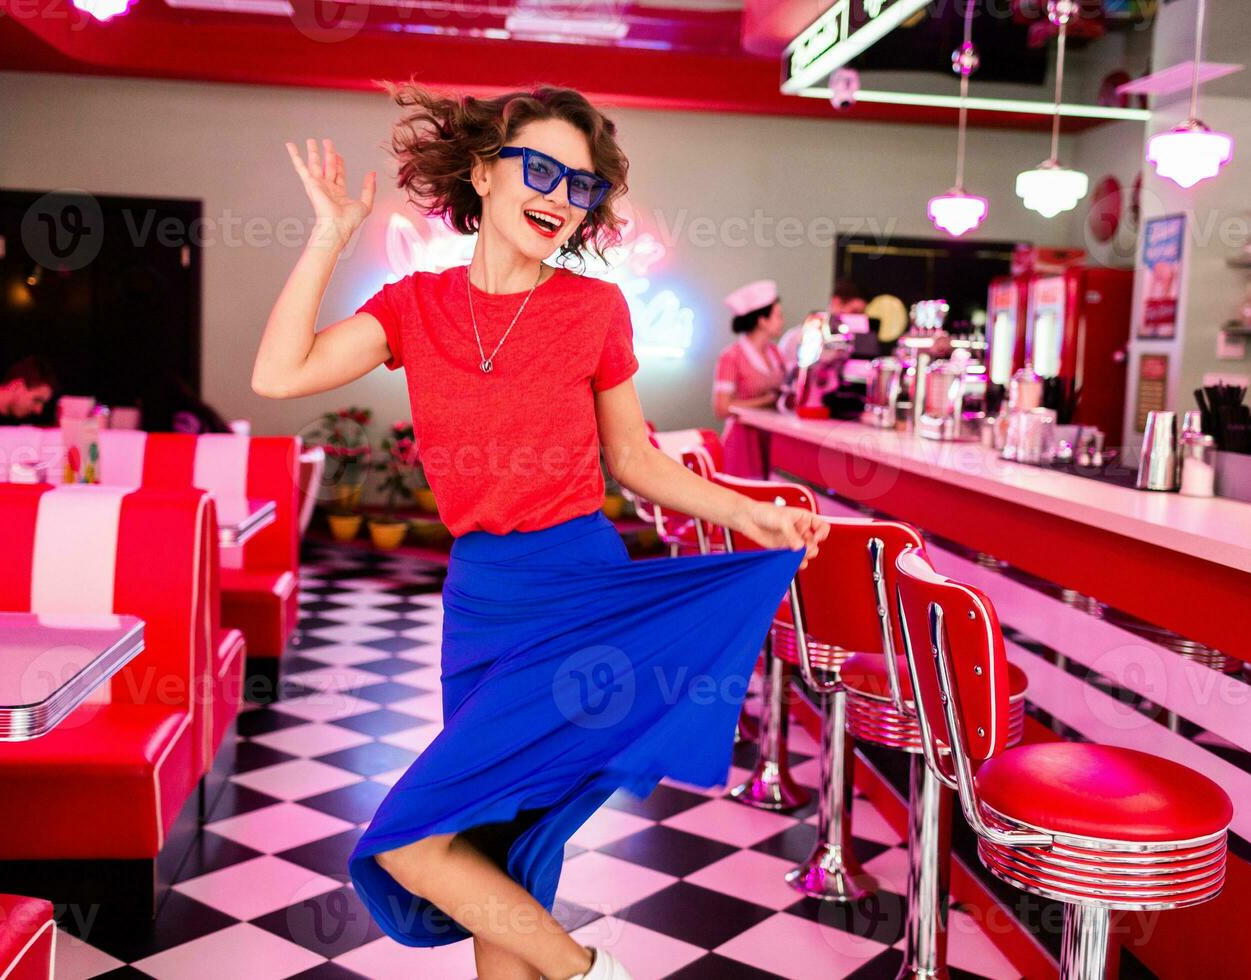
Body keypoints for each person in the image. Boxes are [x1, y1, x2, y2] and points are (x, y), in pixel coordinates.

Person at [251, 85, 827, 980]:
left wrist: (748, 512)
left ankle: (589, 974)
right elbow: (280, 374)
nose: (561, 197)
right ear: (483, 172)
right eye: (542, 171)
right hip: (479, 604)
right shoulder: (415, 307)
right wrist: (328, 232)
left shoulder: (594, 312)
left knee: (410, 841)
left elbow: (632, 461)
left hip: (577, 590)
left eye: (582, 186)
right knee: (493, 848)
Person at [712, 278, 787, 478]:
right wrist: (765, 401)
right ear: (762, 320)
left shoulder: (775, 353)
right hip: (742, 441)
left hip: (771, 438)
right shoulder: (731, 356)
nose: (783, 321)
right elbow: (722, 407)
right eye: (778, 316)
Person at [777, 277, 866, 371]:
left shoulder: (848, 342)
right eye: (854, 312)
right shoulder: (797, 337)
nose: (858, 319)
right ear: (836, 302)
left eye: (862, 314)